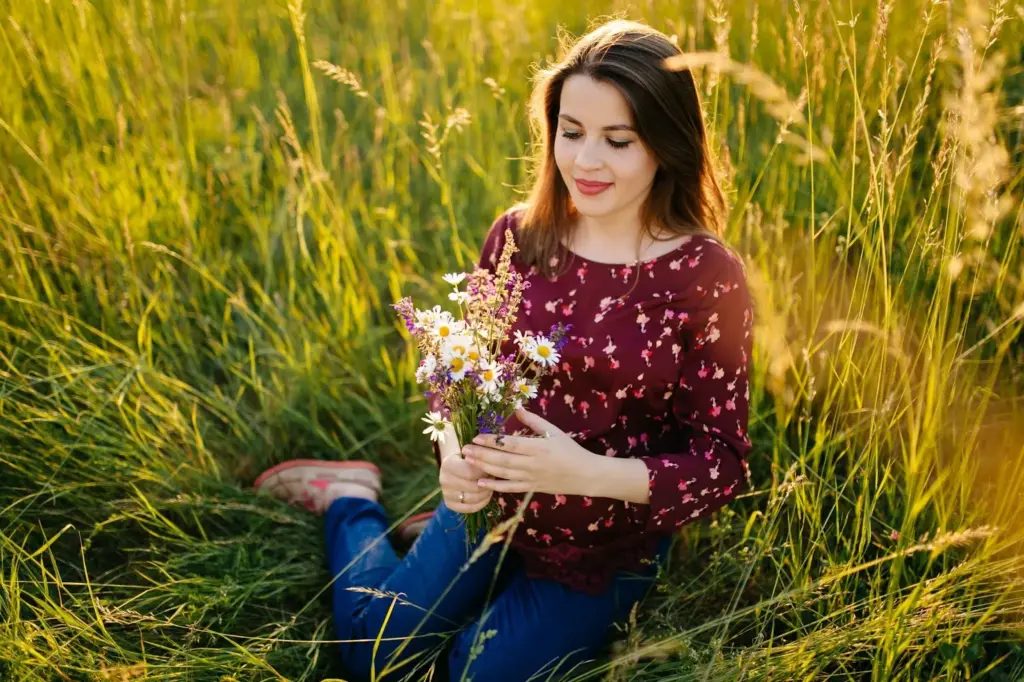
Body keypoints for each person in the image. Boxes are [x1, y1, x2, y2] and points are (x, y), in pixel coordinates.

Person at [253, 18, 754, 682]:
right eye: (571, 132)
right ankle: (351, 499)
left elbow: (720, 464)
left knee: (473, 673)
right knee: (377, 659)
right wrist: (453, 457)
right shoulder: (522, 235)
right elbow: (459, 373)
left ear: (667, 143)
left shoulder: (704, 273)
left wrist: (586, 473)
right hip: (490, 502)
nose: (586, 161)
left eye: (617, 140)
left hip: (605, 545)